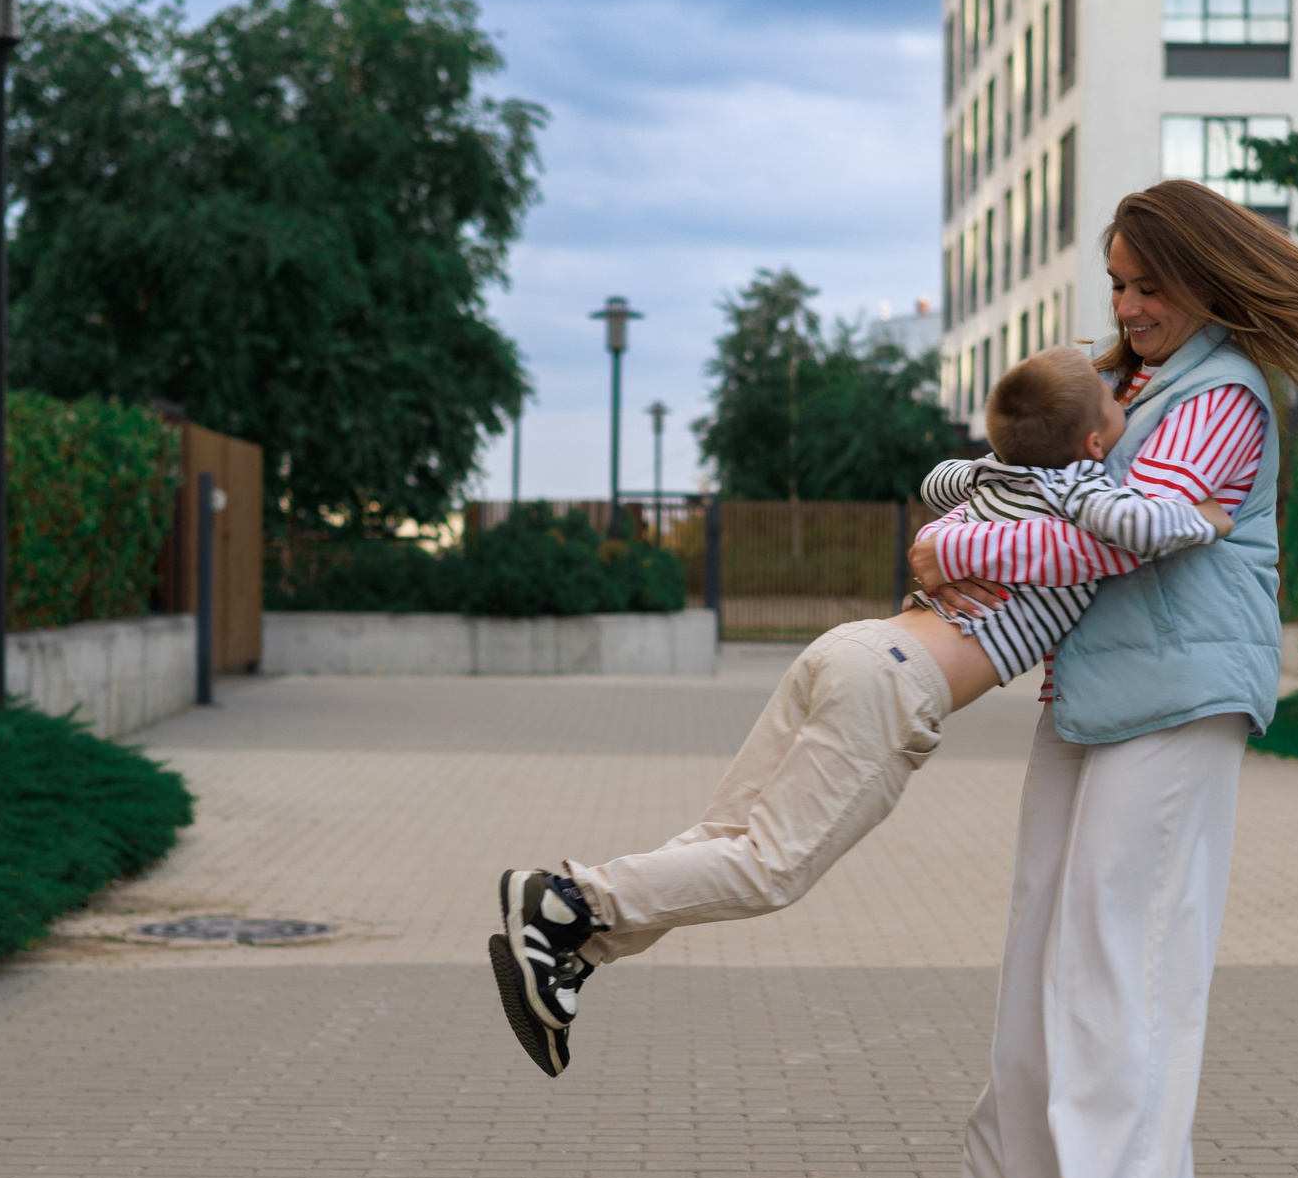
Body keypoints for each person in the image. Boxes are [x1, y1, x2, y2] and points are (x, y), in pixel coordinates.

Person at [918, 179, 1298, 1178]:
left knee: (1121, 968)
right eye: (1120, 284)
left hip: (1178, 702)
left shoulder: (1224, 396)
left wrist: (954, 542)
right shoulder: (1127, 383)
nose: (1129, 305)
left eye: (1150, 285)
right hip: (1094, 694)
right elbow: (1040, 481)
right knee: (1042, 950)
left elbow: (1122, 537)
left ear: (1204, 279)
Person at [483, 347, 1232, 1078]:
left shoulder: (994, 475)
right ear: (1094, 441)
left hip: (857, 646)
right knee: (771, 867)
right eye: (1116, 404)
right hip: (893, 685)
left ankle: (572, 951)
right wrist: (1211, 517)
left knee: (723, 839)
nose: (1127, 404)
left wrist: (965, 500)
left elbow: (939, 481)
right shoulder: (1082, 490)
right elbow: (1145, 529)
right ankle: (568, 898)